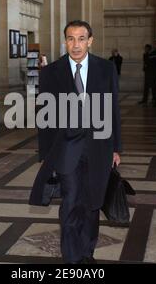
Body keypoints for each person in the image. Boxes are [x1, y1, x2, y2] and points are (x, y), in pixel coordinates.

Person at [29, 20, 122, 264]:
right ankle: (71, 258)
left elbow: (113, 110)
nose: (76, 44)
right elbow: (44, 115)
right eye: (71, 38)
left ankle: (86, 253)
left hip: (99, 147)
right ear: (65, 41)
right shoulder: (51, 72)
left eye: (81, 38)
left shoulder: (106, 68)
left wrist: (116, 148)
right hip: (66, 148)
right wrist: (46, 155)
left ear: (90, 41)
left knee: (92, 203)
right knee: (70, 201)